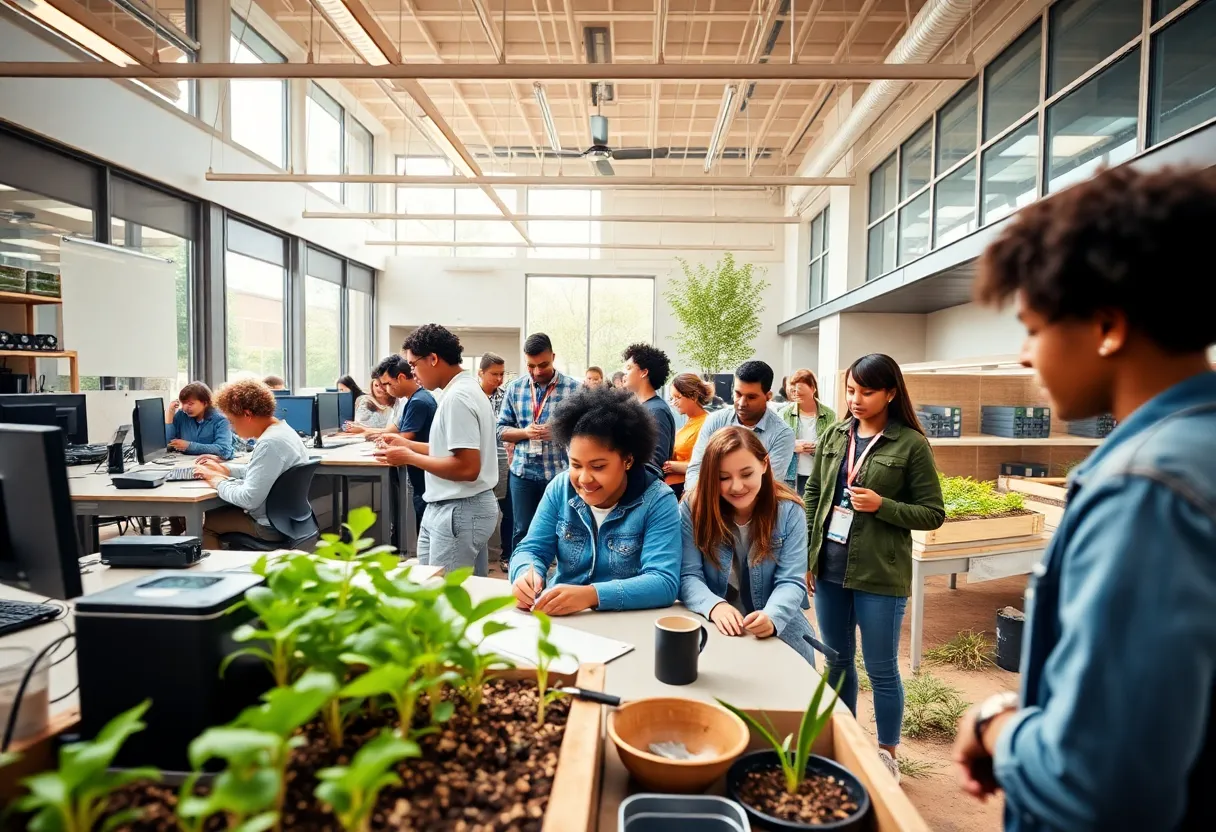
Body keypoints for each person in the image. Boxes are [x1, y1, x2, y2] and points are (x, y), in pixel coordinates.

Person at [951, 166, 1216, 829]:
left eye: (1035, 328)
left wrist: (995, 724)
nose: (1021, 356)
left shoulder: (1145, 491)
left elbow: (1096, 780)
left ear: (1106, 325)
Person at [805, 353, 945, 782]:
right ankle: (842, 740)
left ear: (890, 393)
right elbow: (814, 493)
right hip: (830, 569)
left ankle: (887, 752)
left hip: (880, 574)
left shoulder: (910, 445)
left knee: (881, 668)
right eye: (851, 390)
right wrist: (810, 554)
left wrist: (884, 506)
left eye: (867, 391)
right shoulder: (834, 434)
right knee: (837, 661)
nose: (856, 399)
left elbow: (933, 513)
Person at [508, 386, 681, 615]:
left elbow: (663, 582)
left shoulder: (657, 500)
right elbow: (532, 549)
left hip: (625, 625)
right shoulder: (560, 488)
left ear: (628, 460)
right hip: (562, 622)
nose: (584, 479)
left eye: (598, 467)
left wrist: (592, 595)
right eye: (576, 465)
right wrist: (525, 575)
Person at [679, 427, 816, 665]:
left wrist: (772, 616)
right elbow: (688, 574)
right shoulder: (694, 507)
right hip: (714, 625)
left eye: (746, 474)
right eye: (723, 477)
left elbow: (791, 580)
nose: (736, 486)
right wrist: (714, 606)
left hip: (779, 626)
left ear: (764, 464)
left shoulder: (790, 510)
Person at [376, 325, 499, 577]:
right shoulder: (457, 392)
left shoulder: (458, 398)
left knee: (444, 597)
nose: (412, 373)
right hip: (454, 506)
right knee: (462, 590)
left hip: (459, 507)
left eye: (413, 365)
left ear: (433, 359)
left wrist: (409, 457)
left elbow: (467, 467)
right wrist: (407, 444)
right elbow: (449, 450)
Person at [195, 380, 309, 550]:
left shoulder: (270, 443)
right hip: (289, 520)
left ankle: (216, 575)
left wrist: (216, 480)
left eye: (232, 421)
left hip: (269, 526)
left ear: (247, 415)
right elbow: (263, 471)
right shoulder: (283, 431)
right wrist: (226, 469)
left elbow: (248, 499)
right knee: (216, 513)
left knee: (204, 525)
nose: (232, 428)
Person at [496, 333, 582, 550]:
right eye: (531, 366)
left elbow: (586, 432)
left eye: (543, 365)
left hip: (560, 473)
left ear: (553, 357)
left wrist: (560, 432)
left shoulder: (574, 389)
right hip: (522, 474)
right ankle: (521, 579)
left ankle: (558, 581)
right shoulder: (515, 388)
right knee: (522, 530)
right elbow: (500, 430)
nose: (537, 371)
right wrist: (525, 433)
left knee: (564, 530)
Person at [684, 361, 794, 493]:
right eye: (738, 394)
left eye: (751, 397)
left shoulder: (782, 434)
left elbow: (769, 484)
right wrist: (700, 501)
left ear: (768, 397)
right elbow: (696, 469)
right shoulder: (715, 421)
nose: (742, 403)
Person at [373, 354, 437, 532]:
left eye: (387, 383)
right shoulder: (416, 398)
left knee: (426, 532)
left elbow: (404, 441)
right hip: (423, 475)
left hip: (425, 477)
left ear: (400, 378)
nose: (386, 389)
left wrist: (388, 445)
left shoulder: (418, 402)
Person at [478, 352, 513, 572]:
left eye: (501, 374)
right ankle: (479, 559)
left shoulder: (505, 396)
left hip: (503, 462)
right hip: (478, 462)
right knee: (479, 510)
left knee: (508, 511)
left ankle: (507, 555)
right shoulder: (470, 396)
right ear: (480, 373)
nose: (498, 379)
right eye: (494, 374)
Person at [780, 368, 836, 495]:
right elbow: (775, 443)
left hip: (820, 473)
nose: (797, 396)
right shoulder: (784, 414)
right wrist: (792, 445)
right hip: (791, 474)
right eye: (794, 392)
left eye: (801, 394)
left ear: (813, 389)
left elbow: (835, 445)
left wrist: (819, 448)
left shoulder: (829, 414)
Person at [622, 343, 675, 474]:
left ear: (644, 372)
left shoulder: (656, 411)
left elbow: (655, 462)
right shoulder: (638, 407)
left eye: (629, 368)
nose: (625, 374)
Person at [663, 373, 710, 501]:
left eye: (678, 397)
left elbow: (706, 465)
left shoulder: (707, 423)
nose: (674, 403)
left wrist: (671, 466)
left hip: (686, 489)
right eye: (672, 398)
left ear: (693, 396)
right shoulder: (690, 421)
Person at [165, 382, 235, 460]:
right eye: (183, 403)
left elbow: (224, 450)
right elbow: (168, 444)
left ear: (205, 403)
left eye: (190, 404)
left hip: (211, 464)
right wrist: (169, 416)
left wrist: (189, 446)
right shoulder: (181, 415)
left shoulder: (221, 420)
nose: (185, 408)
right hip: (185, 462)